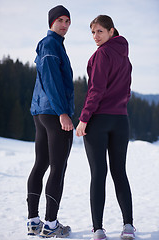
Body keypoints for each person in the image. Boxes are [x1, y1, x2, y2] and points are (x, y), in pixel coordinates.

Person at [76, 15, 135, 240]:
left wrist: (84, 119)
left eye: (100, 31)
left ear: (111, 31)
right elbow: (127, 91)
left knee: (99, 174)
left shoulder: (102, 54)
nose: (95, 37)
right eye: (92, 32)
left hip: (99, 121)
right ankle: (128, 226)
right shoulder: (125, 57)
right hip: (121, 120)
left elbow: (96, 91)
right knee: (120, 172)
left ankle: (98, 229)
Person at [27, 5, 74, 238]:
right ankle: (51, 225)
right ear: (51, 22)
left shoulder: (52, 45)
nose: (64, 25)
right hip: (53, 113)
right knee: (57, 168)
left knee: (42, 165)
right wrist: (62, 112)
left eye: (67, 21)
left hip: (41, 112)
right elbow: (52, 81)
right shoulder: (51, 45)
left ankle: (34, 222)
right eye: (60, 20)